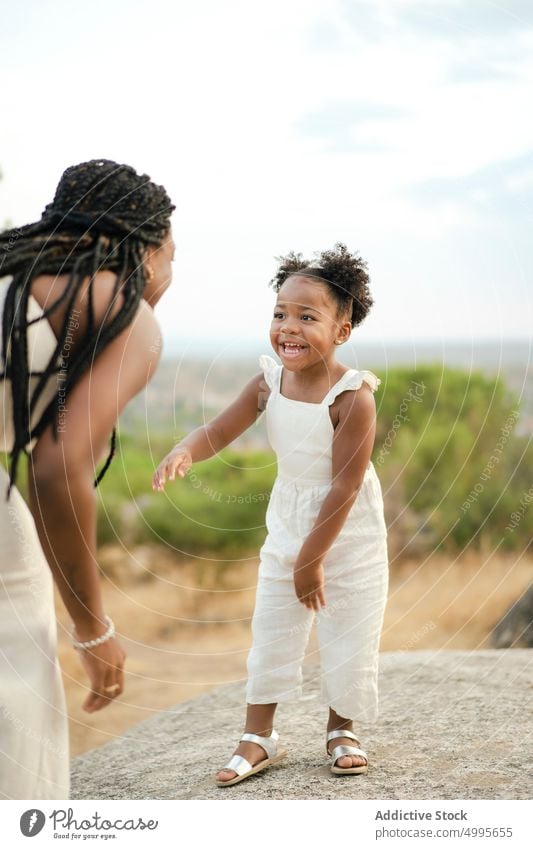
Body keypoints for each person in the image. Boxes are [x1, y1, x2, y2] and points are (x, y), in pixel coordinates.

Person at [153, 242, 389, 785]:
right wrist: (187, 447)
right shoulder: (269, 382)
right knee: (274, 624)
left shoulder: (353, 397)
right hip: (290, 516)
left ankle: (341, 728)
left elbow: (345, 486)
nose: (288, 326)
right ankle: (259, 736)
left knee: (348, 623)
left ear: (342, 331)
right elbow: (219, 428)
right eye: (280, 313)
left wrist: (314, 557)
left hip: (345, 526)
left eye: (308, 317)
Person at [0, 159, 175, 799]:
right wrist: (93, 629)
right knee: (17, 705)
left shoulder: (12, 277)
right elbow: (57, 466)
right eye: (173, 257)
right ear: (148, 252)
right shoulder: (126, 308)